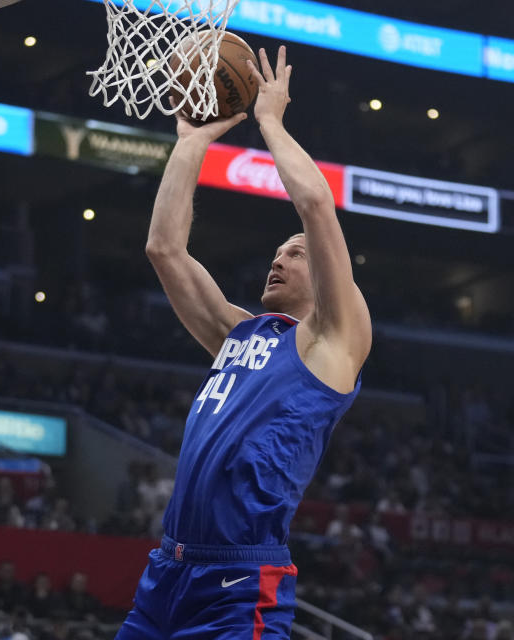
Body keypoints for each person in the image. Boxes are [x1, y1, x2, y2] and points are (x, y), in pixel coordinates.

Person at [118, 46, 371, 639]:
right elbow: (164, 249)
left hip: (239, 583)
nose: (278, 258)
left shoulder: (337, 338)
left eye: (297, 253)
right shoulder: (240, 333)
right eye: (277, 251)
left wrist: (270, 122)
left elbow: (313, 204)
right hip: (167, 569)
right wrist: (190, 142)